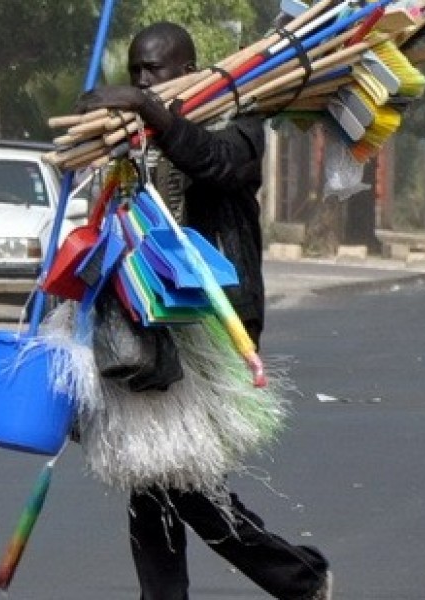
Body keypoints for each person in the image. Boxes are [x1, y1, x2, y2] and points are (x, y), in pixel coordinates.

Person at [75, 21, 332, 600]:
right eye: (135, 71)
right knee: (151, 472)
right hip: (147, 316)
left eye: (155, 71)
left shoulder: (239, 121)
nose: (143, 80)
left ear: (187, 71)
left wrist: (154, 113)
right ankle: (287, 579)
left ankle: (299, 577)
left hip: (217, 322)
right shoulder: (128, 140)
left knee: (180, 477)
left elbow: (216, 162)